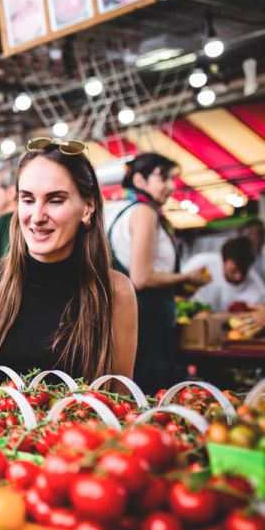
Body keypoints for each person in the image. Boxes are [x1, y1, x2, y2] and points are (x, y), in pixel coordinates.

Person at [0, 138, 138, 381]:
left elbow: (119, 401)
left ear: (88, 207)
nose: (37, 216)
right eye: (28, 199)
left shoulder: (116, 292)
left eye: (55, 200)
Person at [104, 152, 208, 394]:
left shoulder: (116, 210)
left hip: (127, 316)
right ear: (140, 180)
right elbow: (141, 277)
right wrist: (186, 278)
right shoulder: (145, 213)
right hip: (148, 320)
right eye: (163, 178)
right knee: (152, 394)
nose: (171, 186)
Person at [183, 237, 265, 312]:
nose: (238, 277)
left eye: (244, 271)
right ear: (223, 260)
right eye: (234, 271)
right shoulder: (200, 265)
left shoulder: (257, 290)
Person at [239, 218, 265, 283]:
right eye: (259, 234)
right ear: (248, 235)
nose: (263, 237)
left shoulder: (261, 256)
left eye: (263, 233)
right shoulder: (240, 260)